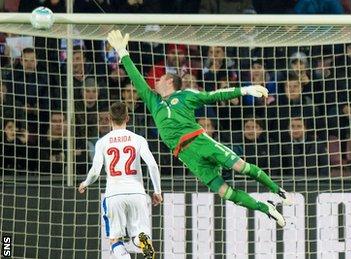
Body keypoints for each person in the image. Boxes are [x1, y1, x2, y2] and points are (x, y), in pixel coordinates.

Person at [106, 30, 290, 227]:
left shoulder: (186, 96)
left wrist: (245, 89)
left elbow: (214, 96)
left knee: (241, 167)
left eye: (160, 79)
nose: (156, 81)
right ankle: (266, 209)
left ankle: (277, 190)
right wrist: (122, 53)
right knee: (225, 193)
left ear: (170, 81)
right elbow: (137, 79)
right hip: (186, 156)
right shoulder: (154, 102)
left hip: (200, 141)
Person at [78, 102, 162, 259]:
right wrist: (157, 191)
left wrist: (86, 183)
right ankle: (143, 242)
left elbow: (95, 171)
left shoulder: (102, 142)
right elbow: (152, 164)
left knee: (115, 239)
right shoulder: (138, 139)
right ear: (127, 118)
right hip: (137, 193)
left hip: (114, 194)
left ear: (109, 118)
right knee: (139, 235)